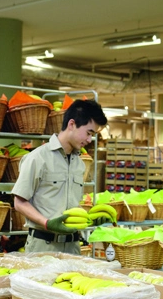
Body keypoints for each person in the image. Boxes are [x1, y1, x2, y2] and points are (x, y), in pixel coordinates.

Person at [13, 99, 107, 254]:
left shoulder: (80, 164)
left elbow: (71, 204)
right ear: (72, 124)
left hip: (73, 246)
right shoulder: (37, 158)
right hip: (43, 246)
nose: (90, 140)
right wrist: (47, 223)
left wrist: (90, 219)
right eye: (88, 133)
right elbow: (19, 202)